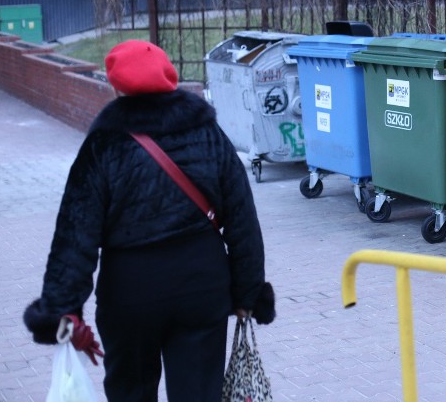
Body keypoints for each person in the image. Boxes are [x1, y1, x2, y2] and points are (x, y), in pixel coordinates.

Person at [24, 39, 275, 401]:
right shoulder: (208, 133)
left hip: (130, 290)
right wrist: (248, 291)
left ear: (116, 84)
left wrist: (62, 307)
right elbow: (242, 218)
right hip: (201, 284)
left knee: (131, 391)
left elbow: (75, 233)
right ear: (169, 77)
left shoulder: (104, 143)